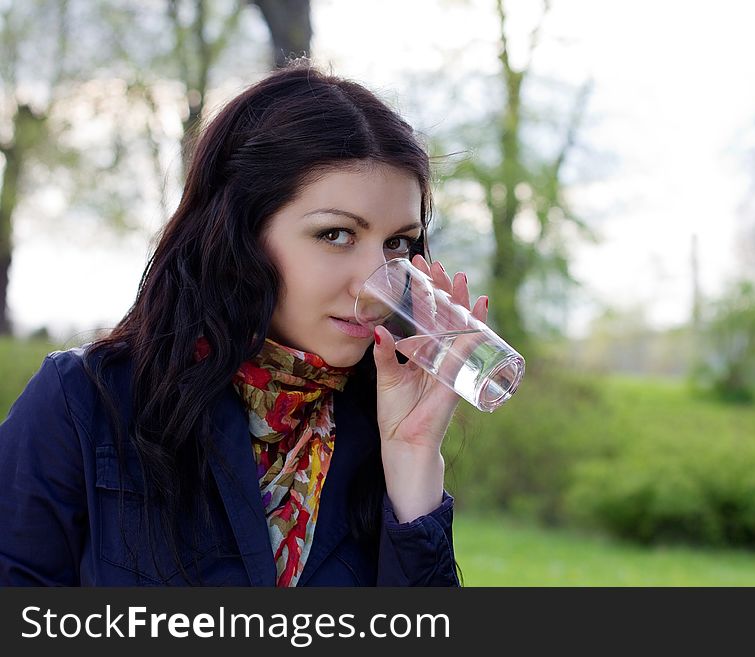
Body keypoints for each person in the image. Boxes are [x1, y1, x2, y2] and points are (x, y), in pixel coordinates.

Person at [0, 60, 488, 586]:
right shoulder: (87, 404)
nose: (374, 283)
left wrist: (413, 463)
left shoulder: (380, 432)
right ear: (239, 233)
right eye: (336, 235)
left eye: (397, 244)